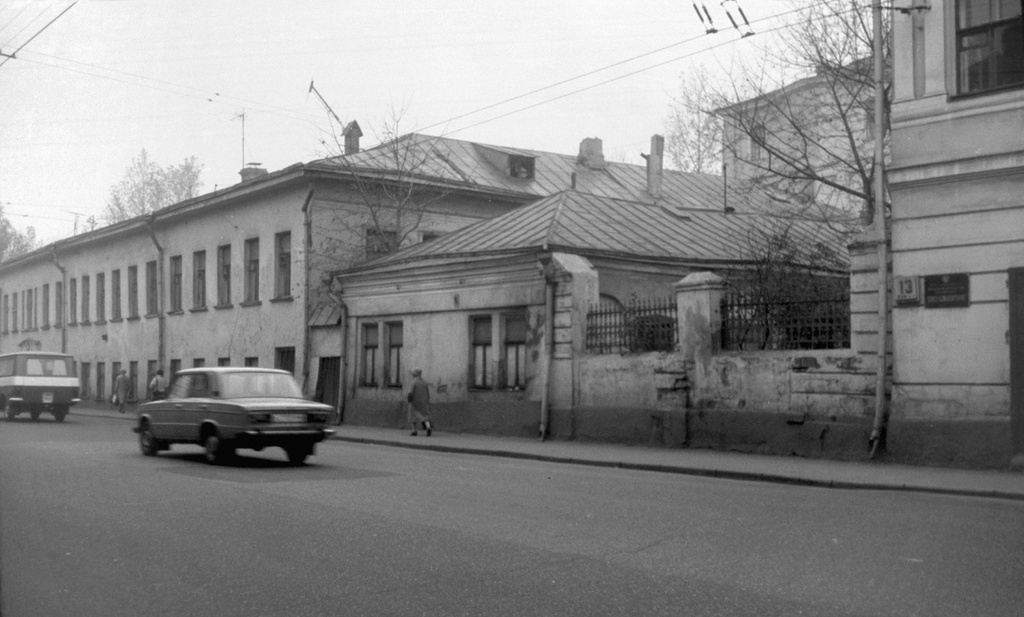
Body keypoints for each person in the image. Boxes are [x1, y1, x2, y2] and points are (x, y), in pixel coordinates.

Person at [406, 368, 433, 437]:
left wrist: (409, 399)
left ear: (414, 374)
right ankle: (428, 427)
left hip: (414, 401)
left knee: (412, 415)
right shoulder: (424, 382)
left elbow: (410, 392)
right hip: (424, 401)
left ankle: (414, 430)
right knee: (425, 415)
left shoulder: (413, 382)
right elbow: (427, 393)